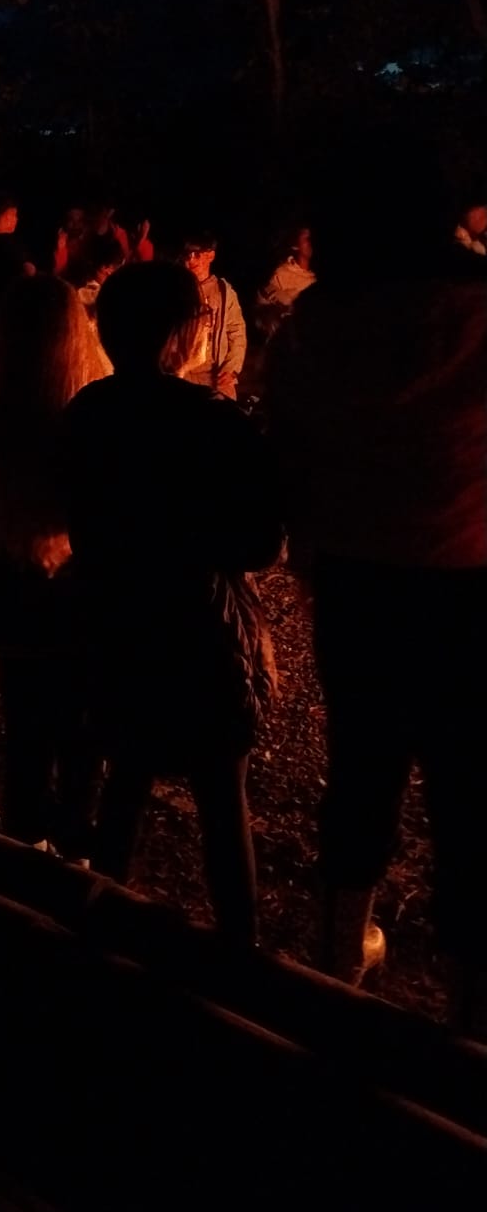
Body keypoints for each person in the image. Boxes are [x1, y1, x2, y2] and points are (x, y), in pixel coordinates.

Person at [266, 137, 487, 1033]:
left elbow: (288, 463)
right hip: (475, 586)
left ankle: (337, 959)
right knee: (474, 792)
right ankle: (471, 1005)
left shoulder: (316, 327)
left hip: (361, 588)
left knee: (362, 770)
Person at [61, 262, 282, 946]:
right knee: (222, 801)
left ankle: (95, 937)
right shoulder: (213, 424)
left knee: (124, 778)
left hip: (114, 624)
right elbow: (258, 544)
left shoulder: (88, 412)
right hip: (196, 633)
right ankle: (240, 961)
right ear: (185, 332)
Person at [0, 275, 110, 852]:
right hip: (83, 593)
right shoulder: (97, 407)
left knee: (26, 733)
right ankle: (76, 862)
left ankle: (24, 861)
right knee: (83, 736)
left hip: (16, 591)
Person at [178, 233, 247, 399]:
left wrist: (231, 369)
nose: (192, 260)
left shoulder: (224, 292)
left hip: (215, 375)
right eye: (188, 255)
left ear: (210, 255)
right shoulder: (178, 290)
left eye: (197, 254)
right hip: (183, 373)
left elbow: (237, 331)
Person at [256, 226, 316, 336]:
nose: (311, 242)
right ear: (295, 245)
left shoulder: (317, 276)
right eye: (306, 238)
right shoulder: (282, 274)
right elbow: (263, 309)